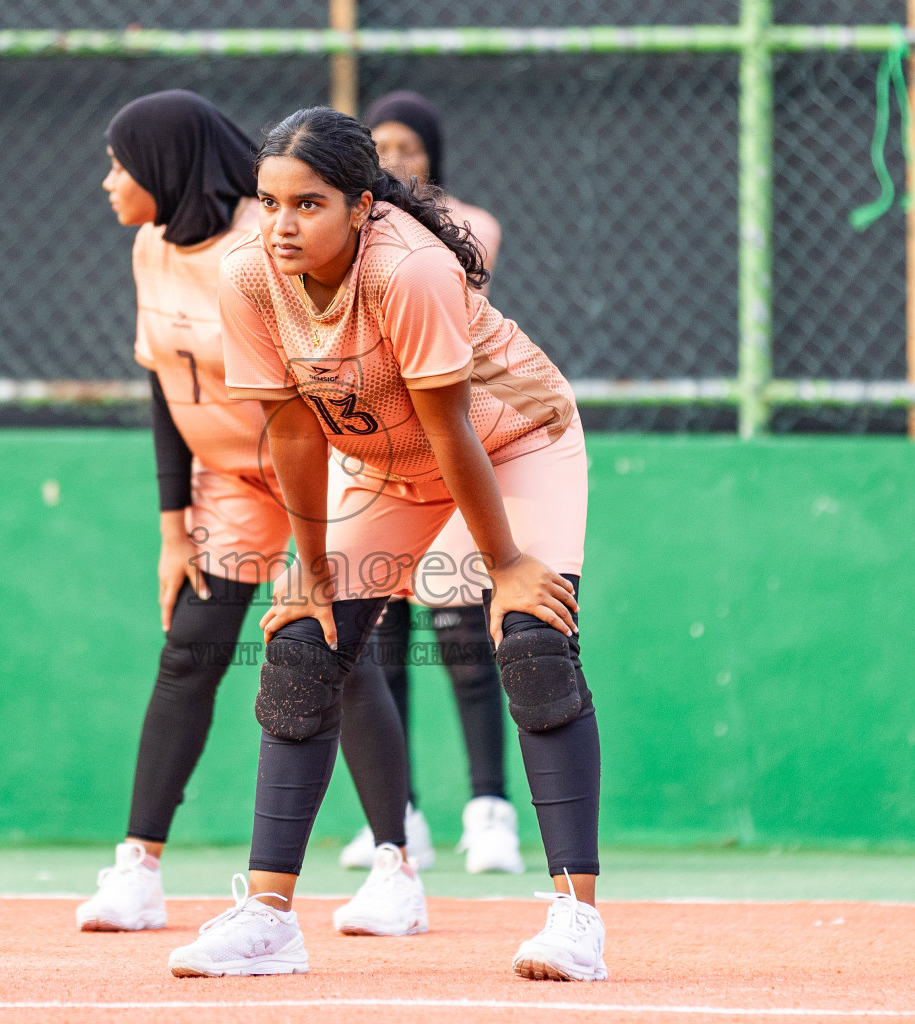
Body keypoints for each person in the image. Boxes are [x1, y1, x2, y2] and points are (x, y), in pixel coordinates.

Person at [166, 106, 605, 981]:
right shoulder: (249, 273)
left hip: (516, 439)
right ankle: (268, 919)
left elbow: (453, 430)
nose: (282, 225)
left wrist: (507, 568)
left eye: (309, 204)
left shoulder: (410, 268)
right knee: (303, 641)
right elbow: (294, 430)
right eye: (270, 203)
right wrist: (311, 570)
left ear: (362, 205)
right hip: (388, 463)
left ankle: (575, 920)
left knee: (533, 641)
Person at [72, 90, 426, 941]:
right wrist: (173, 527)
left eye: (121, 164)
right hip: (230, 480)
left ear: (165, 165)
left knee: (332, 648)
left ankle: (395, 869)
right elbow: (164, 385)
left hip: (321, 470)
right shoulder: (151, 246)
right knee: (190, 649)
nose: (110, 182)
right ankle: (138, 868)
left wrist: (327, 542)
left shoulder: (265, 242)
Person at [335, 91, 524, 875]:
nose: (396, 159)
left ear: (433, 155)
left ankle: (490, 815)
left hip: (449, 450)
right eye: (381, 147)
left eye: (409, 147)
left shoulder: (469, 225)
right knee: (381, 648)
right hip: (375, 454)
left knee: (465, 640)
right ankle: (398, 818)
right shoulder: (346, 233)